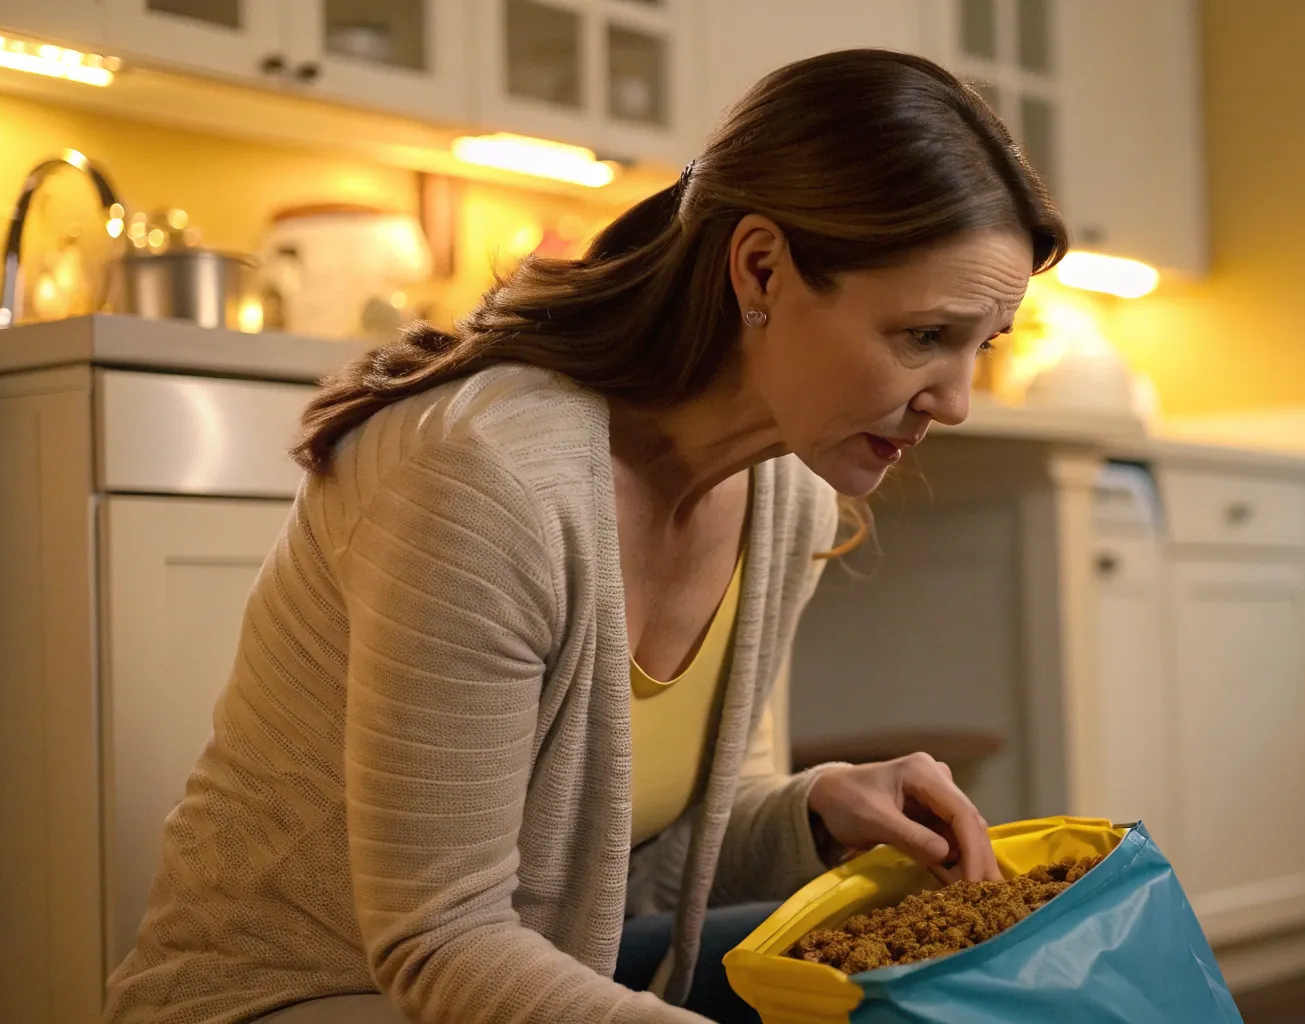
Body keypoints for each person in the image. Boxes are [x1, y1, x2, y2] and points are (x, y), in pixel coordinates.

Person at [103, 48, 1068, 1024]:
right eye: (922, 336)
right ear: (761, 268)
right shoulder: (489, 478)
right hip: (299, 999)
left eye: (979, 345)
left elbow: (640, 859)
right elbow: (440, 942)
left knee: (949, 987)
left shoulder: (784, 494)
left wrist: (814, 811)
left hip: (537, 967)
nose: (955, 401)